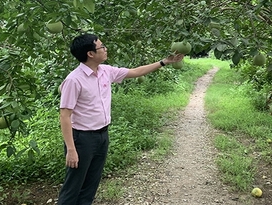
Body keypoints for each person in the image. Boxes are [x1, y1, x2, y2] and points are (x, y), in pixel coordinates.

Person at [57, 33, 184, 205]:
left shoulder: (106, 71)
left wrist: (164, 62)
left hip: (102, 135)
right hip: (82, 138)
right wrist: (71, 149)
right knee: (74, 186)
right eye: (101, 46)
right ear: (90, 54)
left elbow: (136, 71)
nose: (105, 49)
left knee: (91, 184)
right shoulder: (74, 80)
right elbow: (65, 115)